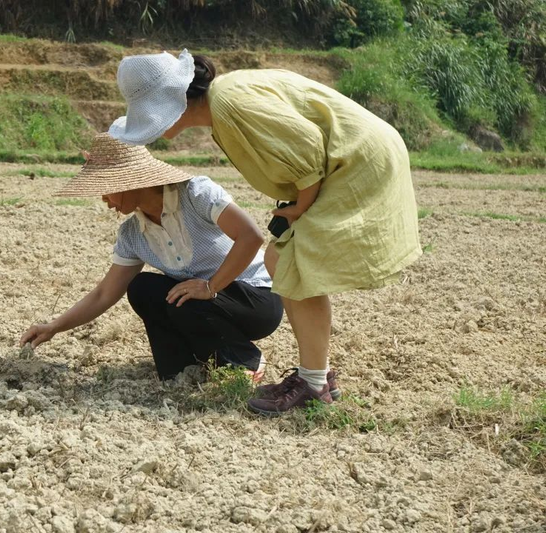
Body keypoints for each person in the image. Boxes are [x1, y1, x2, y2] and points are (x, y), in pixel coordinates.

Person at [108, 50, 421, 414]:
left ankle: (313, 382)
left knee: (288, 260)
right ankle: (316, 379)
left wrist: (300, 207)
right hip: (346, 159)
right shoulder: (222, 109)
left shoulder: (229, 102)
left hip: (354, 160)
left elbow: (305, 148)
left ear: (174, 100)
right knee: (284, 259)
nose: (156, 128)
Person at [19, 132, 284, 382]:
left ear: (128, 181)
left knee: (187, 298)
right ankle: (184, 368)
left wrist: (210, 286)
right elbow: (104, 294)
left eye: (106, 188)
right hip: (203, 308)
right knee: (143, 288)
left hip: (255, 298)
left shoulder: (196, 194)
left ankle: (244, 360)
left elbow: (250, 236)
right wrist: (54, 326)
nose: (103, 198)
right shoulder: (133, 233)